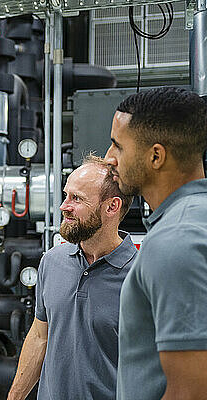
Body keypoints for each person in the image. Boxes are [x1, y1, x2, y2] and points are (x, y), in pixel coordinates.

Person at [105, 87, 207, 400]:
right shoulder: (194, 219)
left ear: (156, 156)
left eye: (118, 147)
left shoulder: (175, 240)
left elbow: (190, 392)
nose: (109, 158)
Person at [7, 155, 136, 400]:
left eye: (76, 199)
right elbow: (39, 336)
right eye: (66, 195)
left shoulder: (141, 277)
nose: (64, 206)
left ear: (112, 207)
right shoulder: (52, 261)